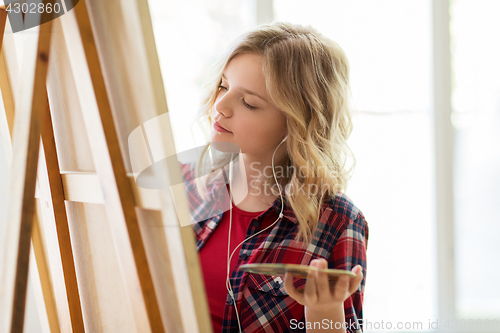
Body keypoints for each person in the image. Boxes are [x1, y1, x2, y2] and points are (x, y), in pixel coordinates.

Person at [181, 21, 369, 333]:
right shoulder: (188, 188)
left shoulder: (337, 221)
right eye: (223, 87)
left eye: (249, 102)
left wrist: (324, 310)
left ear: (297, 123)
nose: (220, 106)